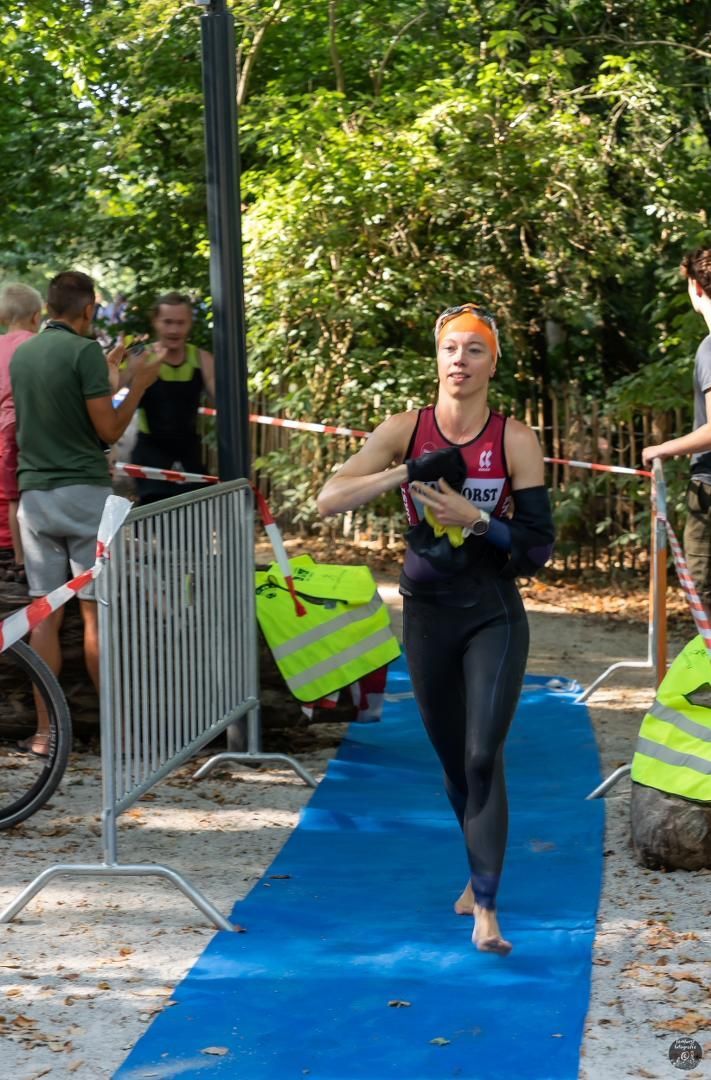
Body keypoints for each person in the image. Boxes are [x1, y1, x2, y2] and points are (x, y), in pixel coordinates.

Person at [317, 303, 554, 954]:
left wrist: (473, 519)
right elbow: (328, 499)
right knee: (454, 761)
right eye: (450, 348)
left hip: (491, 612)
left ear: (491, 363)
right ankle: (474, 867)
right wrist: (407, 472)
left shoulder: (514, 439)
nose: (460, 360)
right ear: (436, 358)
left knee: (483, 755)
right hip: (424, 613)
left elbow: (537, 550)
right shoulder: (405, 429)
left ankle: (486, 907)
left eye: (474, 350)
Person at [10, 270, 161, 755]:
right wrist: (136, 383)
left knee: (44, 617)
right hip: (84, 497)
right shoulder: (83, 354)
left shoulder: (25, 352)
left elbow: (59, 406)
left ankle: (44, 733)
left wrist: (109, 367)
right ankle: (118, 732)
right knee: (97, 617)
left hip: (34, 500)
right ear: (89, 309)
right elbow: (109, 430)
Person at [642, 249, 711, 614]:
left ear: (695, 288)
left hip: (709, 487)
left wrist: (663, 449)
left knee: (701, 592)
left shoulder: (710, 349)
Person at [122, 291, 215, 504]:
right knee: (153, 517)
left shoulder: (201, 359)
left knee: (196, 515)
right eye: (168, 322)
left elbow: (226, 403)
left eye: (181, 323)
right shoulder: (141, 355)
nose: (174, 330)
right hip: (150, 452)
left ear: (190, 323)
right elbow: (109, 388)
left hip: (188, 451)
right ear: (155, 322)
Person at [0, 283, 43, 589]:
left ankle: (19, 560)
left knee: (13, 494)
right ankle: (36, 554)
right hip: (31, 426)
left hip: (3, 431)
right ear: (36, 316)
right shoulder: (37, 345)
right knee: (33, 492)